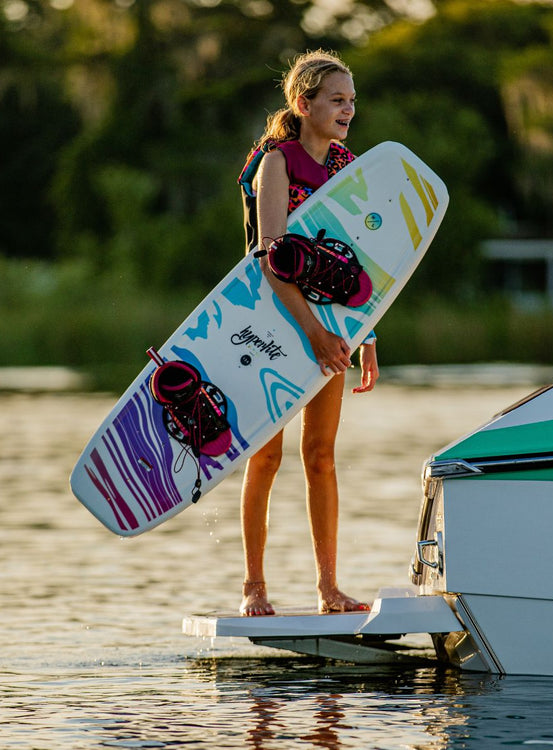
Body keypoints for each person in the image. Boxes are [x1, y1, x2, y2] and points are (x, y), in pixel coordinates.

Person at [236, 50, 379, 617]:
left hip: (333, 325)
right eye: (337, 100)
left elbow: (363, 262)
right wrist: (314, 332)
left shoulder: (348, 167)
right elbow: (272, 261)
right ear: (304, 104)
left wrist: (367, 338)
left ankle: (328, 588)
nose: (348, 110)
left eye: (352, 101)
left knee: (320, 456)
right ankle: (254, 587)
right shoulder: (278, 162)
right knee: (266, 457)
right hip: (273, 321)